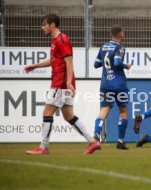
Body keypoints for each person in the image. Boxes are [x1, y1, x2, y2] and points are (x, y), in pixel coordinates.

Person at [24, 14, 100, 155]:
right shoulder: (55, 41)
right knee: (68, 115)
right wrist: (35, 66)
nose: (42, 27)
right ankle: (92, 142)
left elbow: (69, 61)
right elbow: (54, 60)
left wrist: (68, 82)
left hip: (61, 84)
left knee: (47, 112)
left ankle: (43, 147)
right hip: (62, 83)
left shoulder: (61, 39)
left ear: (52, 25)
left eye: (44, 24)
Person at [93, 25, 131, 150]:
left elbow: (96, 64)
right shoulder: (119, 47)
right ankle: (120, 141)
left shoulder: (103, 46)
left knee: (104, 111)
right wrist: (126, 66)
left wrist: (106, 63)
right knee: (123, 111)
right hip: (119, 84)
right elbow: (117, 63)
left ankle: (96, 134)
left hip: (105, 84)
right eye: (123, 33)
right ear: (120, 35)